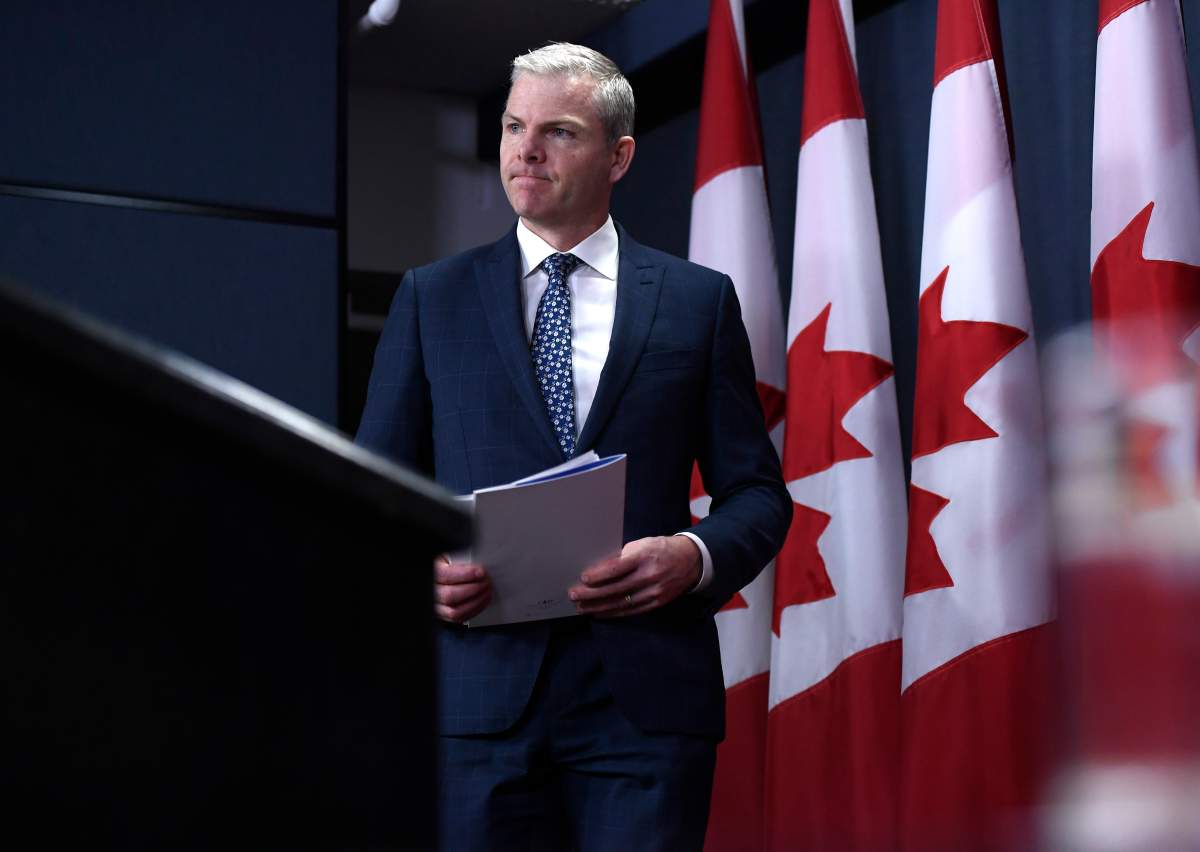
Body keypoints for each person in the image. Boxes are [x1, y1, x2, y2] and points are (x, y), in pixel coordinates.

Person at [356, 42, 790, 851]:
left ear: (619, 156)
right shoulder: (432, 298)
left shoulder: (698, 303)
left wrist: (692, 555)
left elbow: (759, 494)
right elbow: (368, 494)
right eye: (514, 127)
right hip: (476, 711)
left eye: (557, 131)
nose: (525, 150)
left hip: (645, 710)